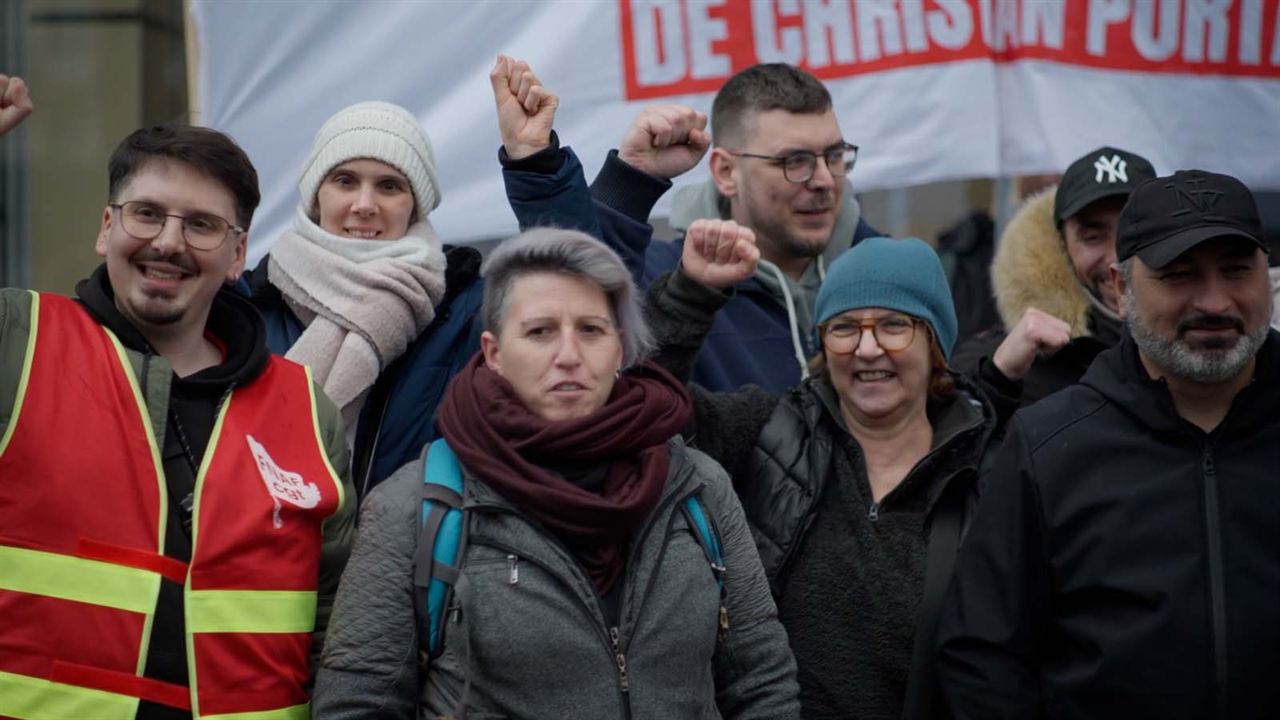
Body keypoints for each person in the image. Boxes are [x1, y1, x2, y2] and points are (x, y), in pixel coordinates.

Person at [312, 228, 800, 719]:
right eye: (540, 331)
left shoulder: (698, 488)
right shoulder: (417, 505)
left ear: (620, 349)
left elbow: (761, 681)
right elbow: (358, 703)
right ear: (494, 352)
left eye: (591, 329)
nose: (569, 354)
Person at [0, 121, 354, 718]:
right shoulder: (17, 340)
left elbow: (339, 626)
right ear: (106, 228)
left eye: (201, 225)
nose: (169, 241)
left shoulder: (307, 407)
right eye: (146, 214)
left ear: (239, 253)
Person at [938, 170, 1280, 718]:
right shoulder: (1049, 445)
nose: (1214, 301)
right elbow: (982, 654)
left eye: (1237, 271)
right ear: (1121, 289)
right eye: (1180, 275)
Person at [643, 220, 1011, 719]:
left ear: (935, 345)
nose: (866, 348)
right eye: (844, 328)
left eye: (893, 325)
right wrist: (691, 295)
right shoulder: (766, 431)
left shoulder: (988, 469)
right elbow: (641, 413)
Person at [500, 61, 881, 393]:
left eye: (834, 156)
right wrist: (629, 183)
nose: (823, 180)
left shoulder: (890, 277)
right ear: (726, 172)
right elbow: (576, 306)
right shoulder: (668, 285)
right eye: (794, 162)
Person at [243, 100, 484, 497]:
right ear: (316, 195)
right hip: (268, 545)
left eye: (389, 186)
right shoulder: (251, 306)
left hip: (409, 555)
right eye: (345, 181)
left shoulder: (466, 312)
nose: (365, 205)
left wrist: (538, 171)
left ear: (415, 204)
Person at [951, 147, 1157, 407]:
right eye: (1093, 238)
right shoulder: (1012, 356)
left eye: (1134, 232)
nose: (1115, 258)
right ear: (1060, 245)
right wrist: (997, 377)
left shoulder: (1208, 334)